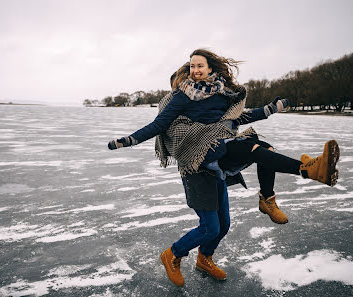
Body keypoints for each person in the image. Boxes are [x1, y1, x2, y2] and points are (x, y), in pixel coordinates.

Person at [108, 49, 340, 286]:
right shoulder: (177, 100)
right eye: (187, 72)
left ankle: (208, 255)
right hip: (197, 168)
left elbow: (237, 118)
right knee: (210, 227)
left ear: (209, 69)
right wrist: (128, 140)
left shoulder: (217, 95)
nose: (192, 76)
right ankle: (172, 254)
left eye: (197, 69)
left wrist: (271, 109)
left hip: (218, 158)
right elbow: (160, 126)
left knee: (253, 168)